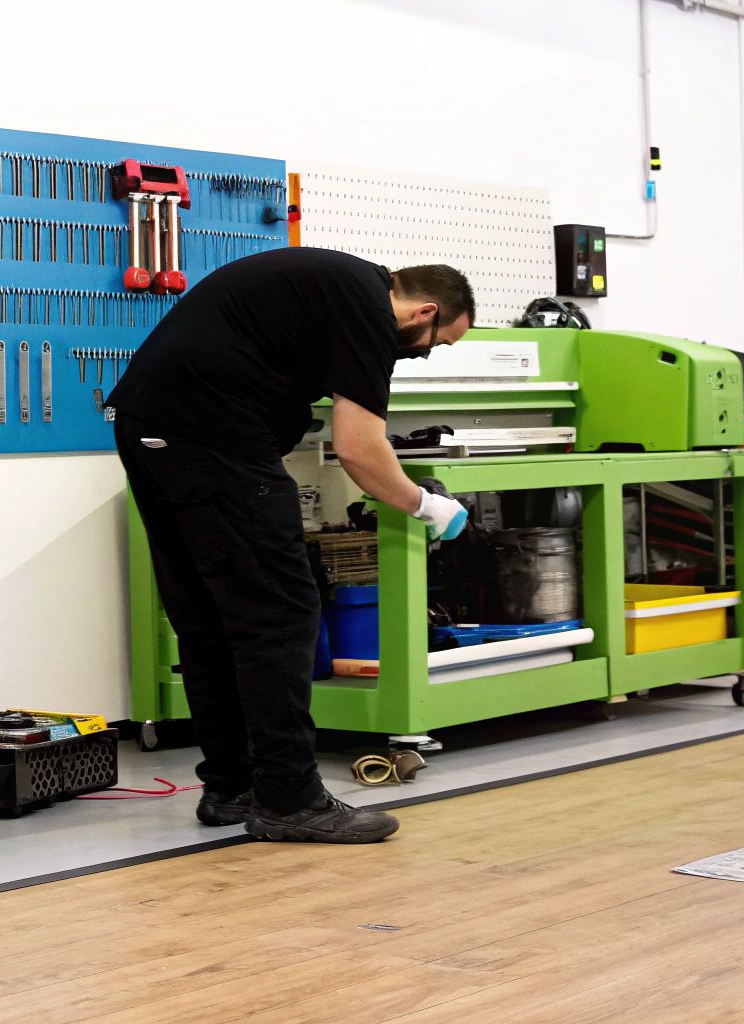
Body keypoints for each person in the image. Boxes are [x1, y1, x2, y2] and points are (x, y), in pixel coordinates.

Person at [107, 247, 474, 844]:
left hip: (152, 428)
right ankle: (290, 799)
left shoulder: (331, 287)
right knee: (281, 613)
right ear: (423, 312)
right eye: (437, 342)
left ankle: (232, 787)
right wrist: (426, 504)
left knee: (212, 619)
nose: (425, 352)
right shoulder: (367, 307)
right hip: (212, 437)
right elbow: (358, 449)